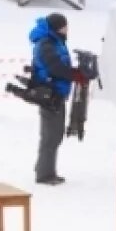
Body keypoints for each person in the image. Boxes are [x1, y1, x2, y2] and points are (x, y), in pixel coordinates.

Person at [29, 13, 85, 186]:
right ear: (56, 28)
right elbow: (54, 67)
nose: (66, 30)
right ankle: (44, 174)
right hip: (49, 94)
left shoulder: (55, 41)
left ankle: (45, 169)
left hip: (57, 93)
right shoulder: (47, 43)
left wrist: (74, 72)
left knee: (55, 134)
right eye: (63, 27)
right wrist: (75, 74)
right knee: (51, 135)